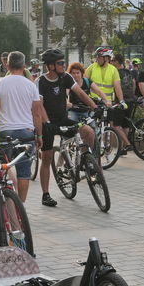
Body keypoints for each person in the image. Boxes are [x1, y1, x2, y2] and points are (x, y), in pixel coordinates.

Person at [35, 48, 95, 207]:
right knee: (46, 158)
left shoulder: (66, 77)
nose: (64, 65)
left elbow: (81, 93)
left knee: (88, 132)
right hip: (47, 123)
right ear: (51, 66)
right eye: (60, 63)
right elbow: (39, 106)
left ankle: (86, 162)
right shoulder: (41, 81)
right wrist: (46, 123)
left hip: (63, 118)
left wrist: (94, 106)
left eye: (63, 62)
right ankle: (45, 194)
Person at [0, 51, 44, 201]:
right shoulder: (31, 86)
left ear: (7, 65)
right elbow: (37, 114)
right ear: (24, 66)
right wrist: (39, 135)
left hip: (5, 132)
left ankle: (4, 204)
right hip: (26, 133)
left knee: (3, 170)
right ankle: (21, 207)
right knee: (24, 173)